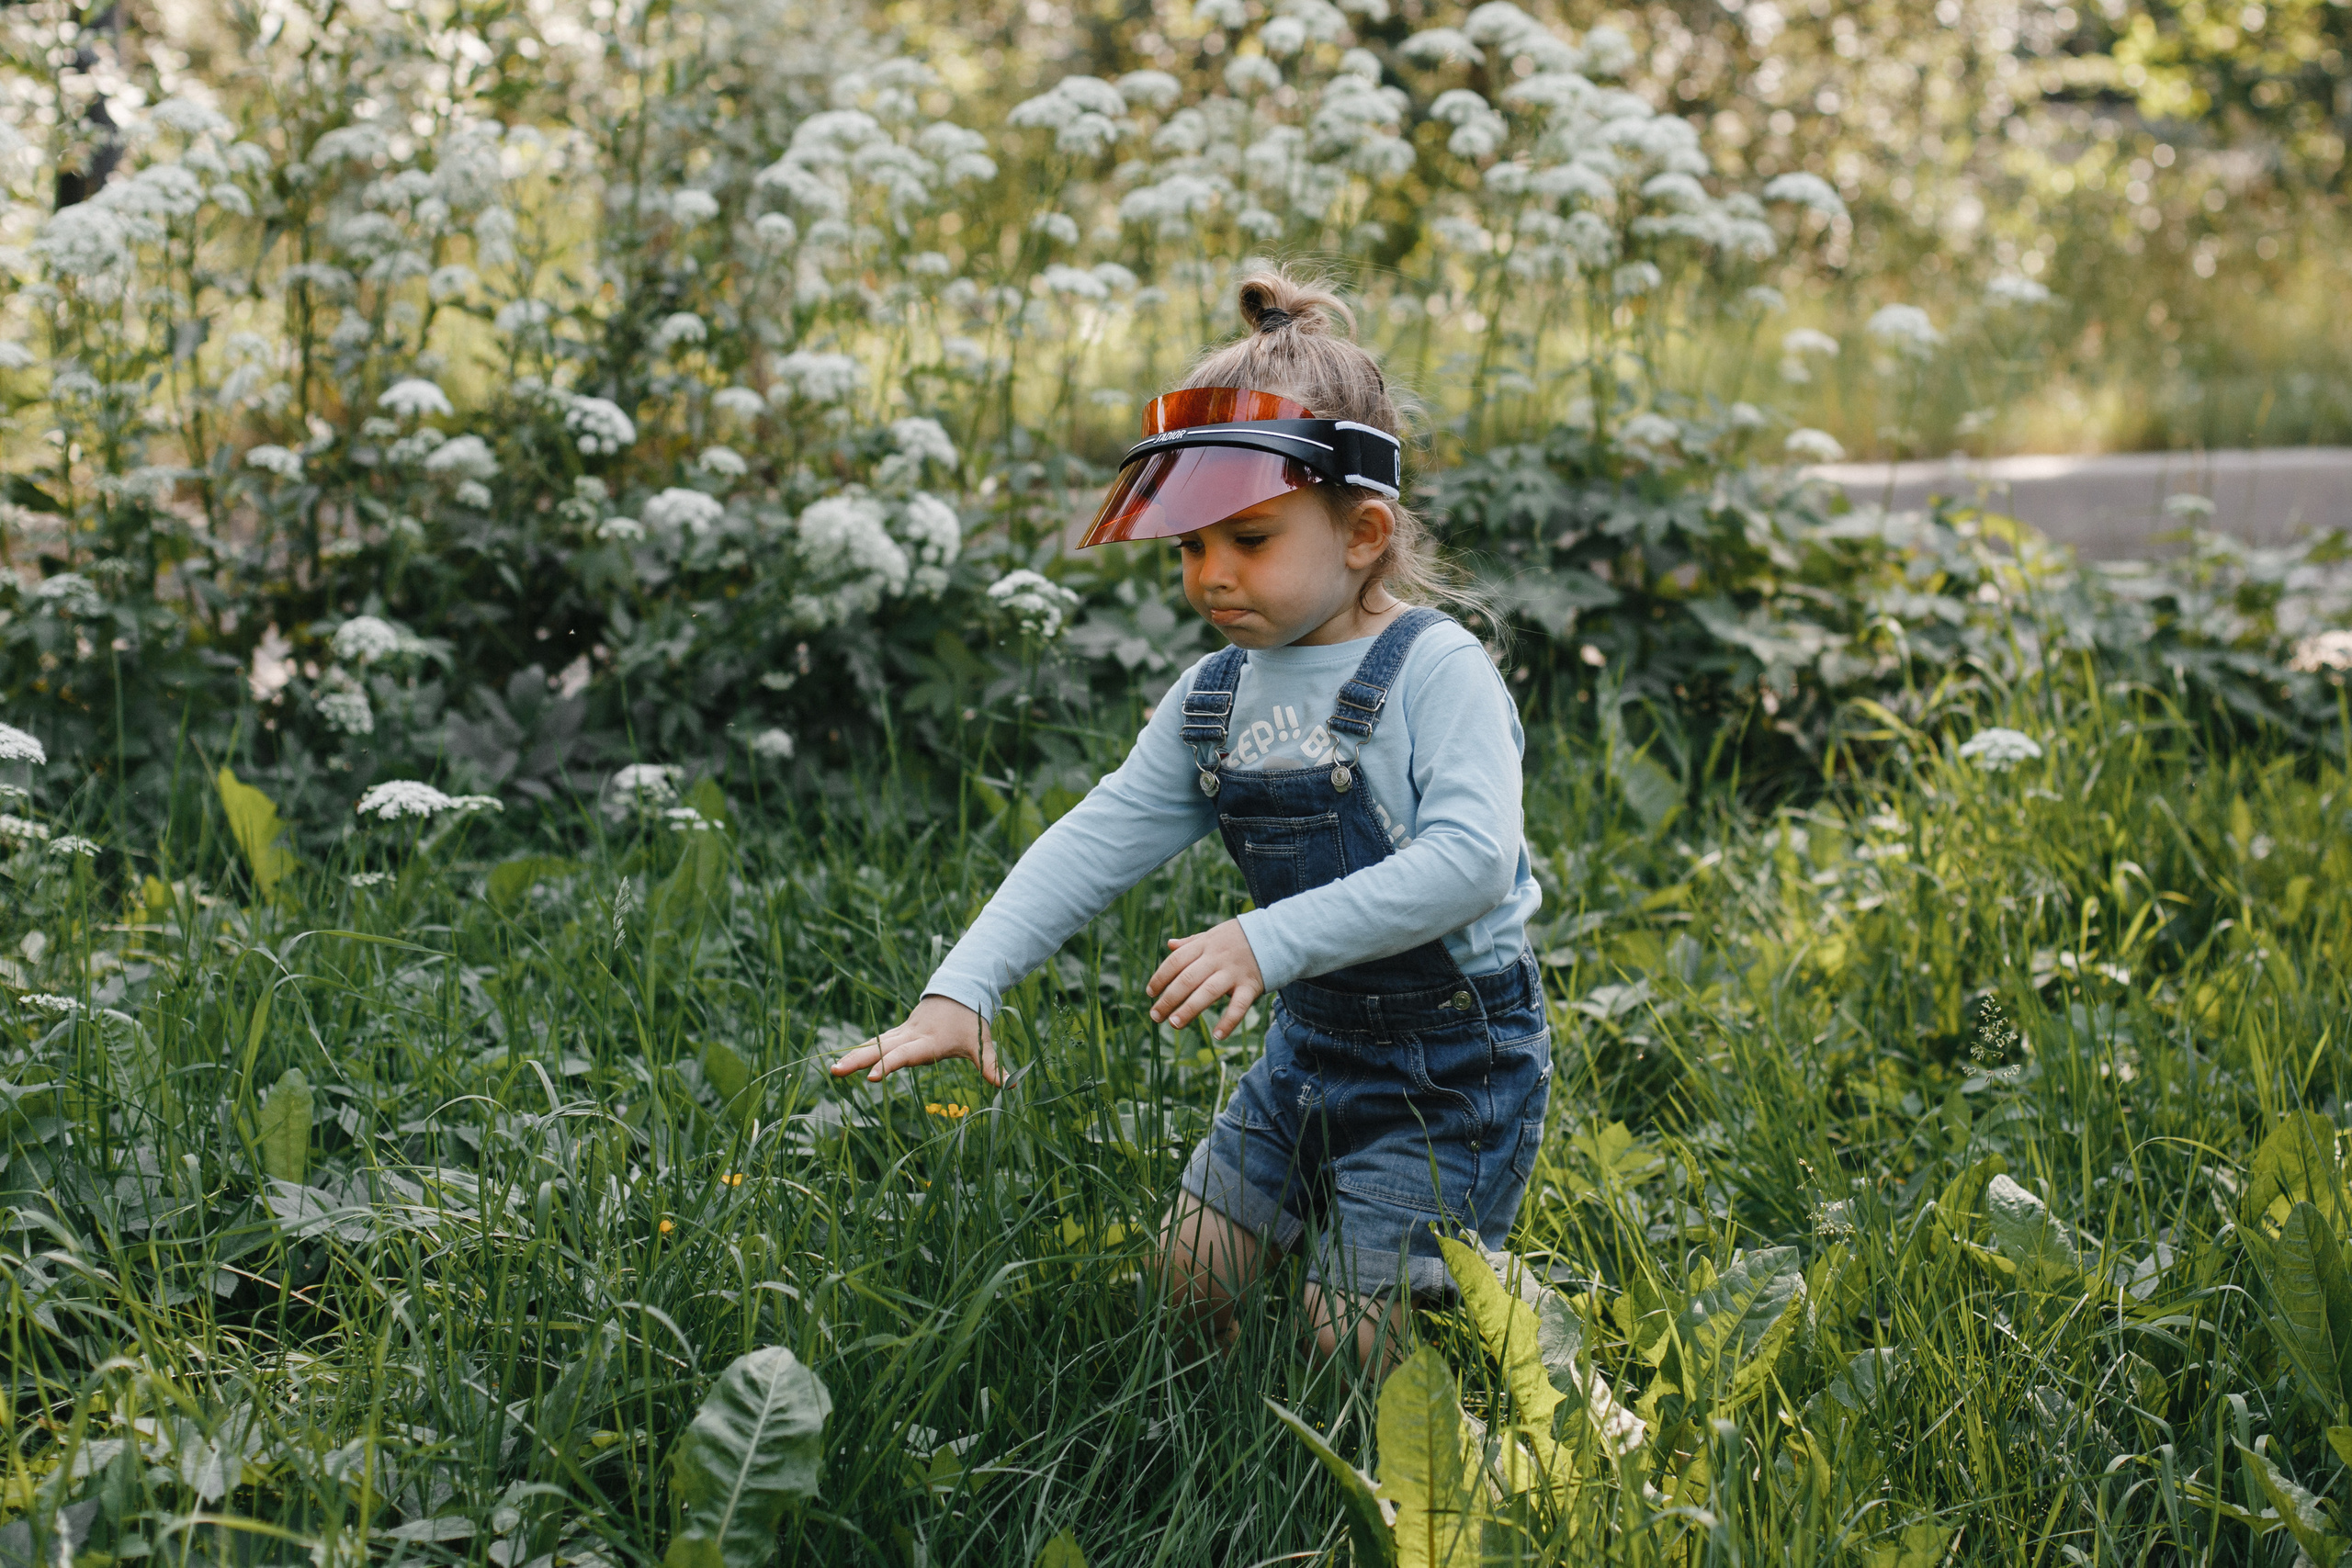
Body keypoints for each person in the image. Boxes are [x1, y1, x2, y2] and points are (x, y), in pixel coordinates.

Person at [831, 267, 1548, 1368]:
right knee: (1186, 1280)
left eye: (1247, 540)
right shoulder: (1215, 694)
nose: (1209, 575)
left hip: (1451, 1066)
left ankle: (1531, 1390)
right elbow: (1095, 837)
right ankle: (1219, 1430)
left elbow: (1470, 864)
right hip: (1312, 1046)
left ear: (1362, 532)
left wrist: (1264, 938)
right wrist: (960, 987)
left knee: (1355, 1345)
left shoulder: (1432, 671)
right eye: (1187, 547)